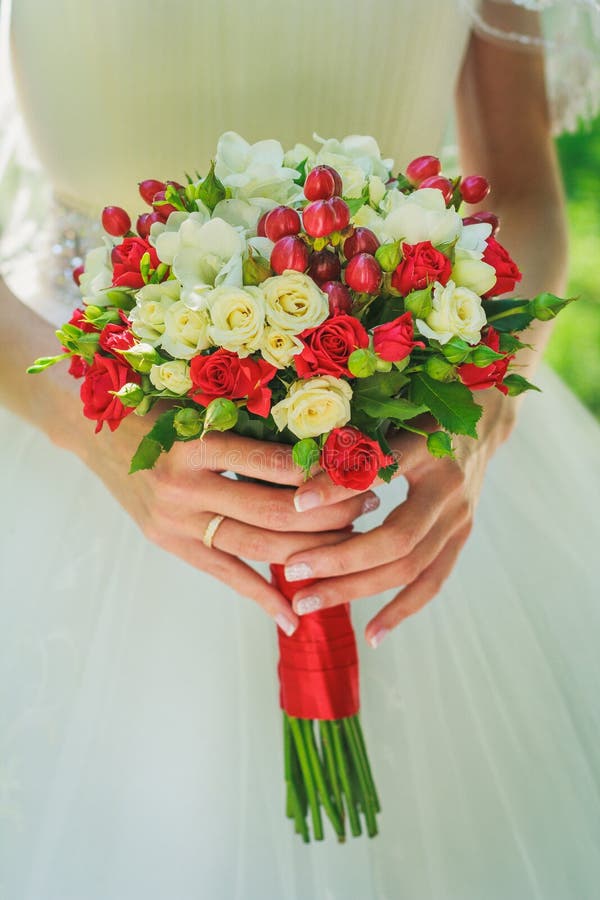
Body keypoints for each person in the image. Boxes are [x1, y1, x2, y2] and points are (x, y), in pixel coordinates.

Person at [1, 1, 599, 897]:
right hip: (76, 420)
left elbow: (518, 188)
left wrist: (478, 414)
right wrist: (95, 427)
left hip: (406, 434)